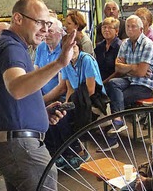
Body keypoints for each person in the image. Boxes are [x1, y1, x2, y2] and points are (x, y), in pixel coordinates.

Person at [0, 0, 75, 191]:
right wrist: (59, 64)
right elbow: (16, 87)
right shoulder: (11, 48)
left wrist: (41, 112)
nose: (45, 30)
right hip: (21, 149)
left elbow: (15, 97)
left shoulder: (11, 47)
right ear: (18, 18)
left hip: (13, 144)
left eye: (48, 24)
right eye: (40, 23)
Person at [44, 38, 106, 170]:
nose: (73, 49)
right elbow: (70, 88)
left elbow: (91, 90)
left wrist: (72, 105)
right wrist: (67, 104)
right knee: (57, 114)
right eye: (69, 47)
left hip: (92, 99)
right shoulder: (66, 63)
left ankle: (77, 152)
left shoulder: (86, 60)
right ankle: (60, 152)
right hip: (77, 98)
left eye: (75, 46)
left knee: (65, 119)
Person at [104, 15, 153, 148]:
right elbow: (118, 67)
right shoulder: (125, 43)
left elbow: (141, 73)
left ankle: (114, 135)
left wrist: (127, 68)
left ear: (141, 29)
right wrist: (134, 67)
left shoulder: (148, 45)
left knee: (117, 97)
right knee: (112, 84)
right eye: (128, 26)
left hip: (146, 85)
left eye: (133, 26)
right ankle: (118, 121)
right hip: (130, 80)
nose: (130, 29)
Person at [34, 16, 64, 96]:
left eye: (50, 31)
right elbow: (35, 73)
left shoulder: (64, 51)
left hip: (58, 98)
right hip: (41, 95)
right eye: (45, 31)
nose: (46, 34)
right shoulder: (41, 47)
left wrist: (42, 102)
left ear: (60, 33)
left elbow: (61, 87)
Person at [94, 17, 122, 83]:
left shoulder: (120, 47)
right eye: (104, 27)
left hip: (113, 82)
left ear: (116, 31)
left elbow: (119, 72)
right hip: (98, 80)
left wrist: (103, 83)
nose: (106, 30)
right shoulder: (99, 46)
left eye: (110, 27)